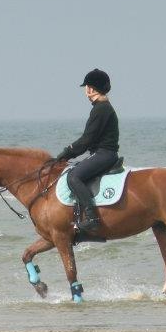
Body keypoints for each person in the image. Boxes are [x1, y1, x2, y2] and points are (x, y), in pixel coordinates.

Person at [56, 68, 120, 233]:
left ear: (91, 89)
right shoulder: (102, 107)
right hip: (104, 153)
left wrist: (66, 152)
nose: (85, 90)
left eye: (87, 86)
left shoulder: (100, 109)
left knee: (74, 177)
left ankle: (92, 218)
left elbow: (87, 139)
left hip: (104, 154)